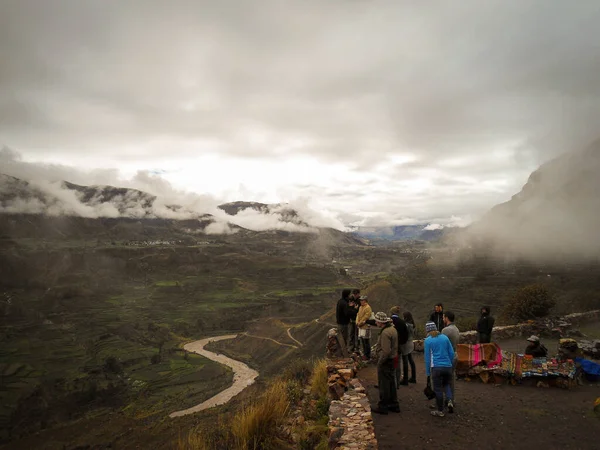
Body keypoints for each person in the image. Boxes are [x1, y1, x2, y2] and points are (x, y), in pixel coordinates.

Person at [424, 321, 455, 417]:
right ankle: (449, 400)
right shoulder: (445, 338)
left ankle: (440, 410)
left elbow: (427, 358)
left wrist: (428, 372)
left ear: (427, 330)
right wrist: (449, 363)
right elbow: (452, 353)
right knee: (446, 385)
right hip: (448, 366)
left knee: (437, 389)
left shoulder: (428, 340)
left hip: (436, 367)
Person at [372, 312, 400, 415]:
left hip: (386, 361)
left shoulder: (385, 333)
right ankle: (394, 404)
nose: (375, 322)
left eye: (376, 320)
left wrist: (380, 362)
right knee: (391, 382)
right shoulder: (392, 329)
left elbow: (386, 351)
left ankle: (383, 406)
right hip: (392, 359)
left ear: (380, 322)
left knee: (383, 384)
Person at [441, 311, 460, 405]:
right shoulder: (456, 329)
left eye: (443, 317)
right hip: (455, 355)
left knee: (442, 379)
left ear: (447, 318)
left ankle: (446, 400)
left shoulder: (446, 330)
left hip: (447, 357)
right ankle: (451, 399)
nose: (443, 319)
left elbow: (441, 344)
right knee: (451, 378)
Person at [390, 306, 409, 387]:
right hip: (399, 346)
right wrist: (401, 343)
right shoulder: (402, 322)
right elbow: (406, 335)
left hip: (391, 346)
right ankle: (397, 383)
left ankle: (391, 383)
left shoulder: (390, 321)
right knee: (398, 364)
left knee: (390, 365)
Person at [401, 311, 417, 384]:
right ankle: (413, 377)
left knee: (405, 361)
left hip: (406, 343)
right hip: (411, 342)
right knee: (411, 360)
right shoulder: (412, 324)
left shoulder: (406, 325)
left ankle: (405, 379)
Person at [356, 295, 373, 361]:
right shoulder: (360, 307)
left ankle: (368, 355)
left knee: (366, 341)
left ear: (365, 301)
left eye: (362, 300)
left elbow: (366, 317)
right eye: (360, 300)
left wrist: (360, 323)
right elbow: (358, 315)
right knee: (362, 341)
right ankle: (365, 354)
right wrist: (357, 322)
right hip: (360, 326)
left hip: (365, 326)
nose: (360, 301)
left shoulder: (368, 307)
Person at [347, 289, 360, 353]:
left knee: (357, 335)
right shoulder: (350, 300)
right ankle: (351, 348)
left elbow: (359, 311)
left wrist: (355, 309)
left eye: (356, 294)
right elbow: (348, 310)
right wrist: (351, 307)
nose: (354, 295)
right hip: (351, 320)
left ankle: (357, 349)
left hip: (357, 320)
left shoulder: (360, 301)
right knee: (351, 334)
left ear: (358, 294)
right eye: (354, 294)